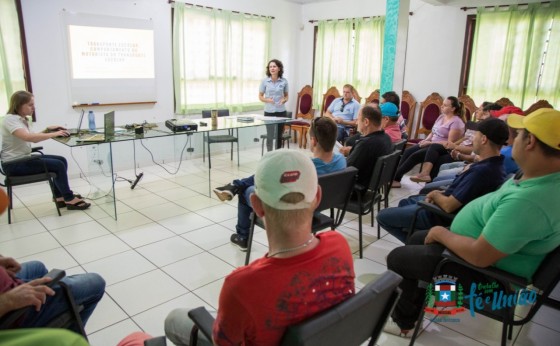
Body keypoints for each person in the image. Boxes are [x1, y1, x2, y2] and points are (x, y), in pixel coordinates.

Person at [383, 108, 560, 338]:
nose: (510, 140)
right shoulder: (542, 178)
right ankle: (415, 305)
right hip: (482, 255)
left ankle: (402, 322)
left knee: (398, 258)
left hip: (488, 276)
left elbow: (480, 256)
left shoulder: (530, 203)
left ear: (531, 142)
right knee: (416, 240)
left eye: (517, 134)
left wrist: (441, 233)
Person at [165, 150, 355, 345]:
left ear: (256, 204)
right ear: (317, 197)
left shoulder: (241, 286)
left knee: (174, 319)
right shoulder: (339, 246)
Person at [213, 117, 346, 250]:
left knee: (249, 190)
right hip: (318, 210)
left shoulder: (305, 167)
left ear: (313, 141)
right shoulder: (341, 161)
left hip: (291, 213)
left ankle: (242, 235)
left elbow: (269, 180)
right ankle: (236, 185)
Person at [377, 117, 509, 243]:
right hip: (444, 204)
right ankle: (415, 236)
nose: (473, 139)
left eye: (476, 135)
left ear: (484, 139)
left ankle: (417, 243)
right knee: (405, 202)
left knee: (382, 216)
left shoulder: (482, 172)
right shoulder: (496, 165)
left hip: (439, 215)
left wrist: (434, 194)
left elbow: (448, 205)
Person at [1, 91, 90, 210]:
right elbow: (28, 137)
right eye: (30, 105)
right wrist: (54, 134)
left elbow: (33, 139)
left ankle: (59, 197)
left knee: (61, 160)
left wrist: (47, 130)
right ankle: (69, 198)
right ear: (18, 105)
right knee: (58, 165)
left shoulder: (21, 120)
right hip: (14, 165)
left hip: (22, 159)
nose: (34, 107)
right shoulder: (10, 120)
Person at [0, 256, 105, 332]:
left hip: (9, 287)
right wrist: (7, 300)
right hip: (11, 311)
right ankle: (69, 338)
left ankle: (53, 320)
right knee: (96, 283)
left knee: (38, 267)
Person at [408, 102, 503, 183]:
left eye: (481, 110)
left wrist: (456, 150)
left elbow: (474, 152)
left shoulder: (487, 132)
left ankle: (428, 184)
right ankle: (425, 177)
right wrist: (453, 145)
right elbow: (465, 139)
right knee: (427, 151)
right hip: (461, 152)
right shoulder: (475, 125)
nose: (477, 111)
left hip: (465, 157)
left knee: (438, 159)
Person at [392, 96, 466, 188]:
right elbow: (433, 131)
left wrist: (429, 143)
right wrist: (426, 140)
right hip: (431, 143)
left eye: (445, 105)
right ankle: (395, 179)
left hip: (442, 148)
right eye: (442, 104)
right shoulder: (441, 117)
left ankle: (394, 178)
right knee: (408, 151)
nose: (442, 107)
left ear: (453, 108)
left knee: (415, 156)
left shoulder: (456, 122)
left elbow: (449, 143)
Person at [346, 105, 396, 189]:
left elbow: (347, 170)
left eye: (358, 119)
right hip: (372, 186)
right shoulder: (386, 138)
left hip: (356, 190)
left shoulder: (366, 144)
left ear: (366, 122)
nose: (357, 122)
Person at [259, 59, 289, 152]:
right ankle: (269, 155)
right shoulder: (264, 81)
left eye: (274, 66)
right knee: (270, 135)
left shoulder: (284, 81)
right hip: (269, 112)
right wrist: (268, 100)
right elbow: (260, 96)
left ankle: (278, 155)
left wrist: (284, 100)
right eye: (270, 67)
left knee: (279, 135)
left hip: (281, 112)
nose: (272, 68)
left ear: (279, 68)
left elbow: (286, 96)